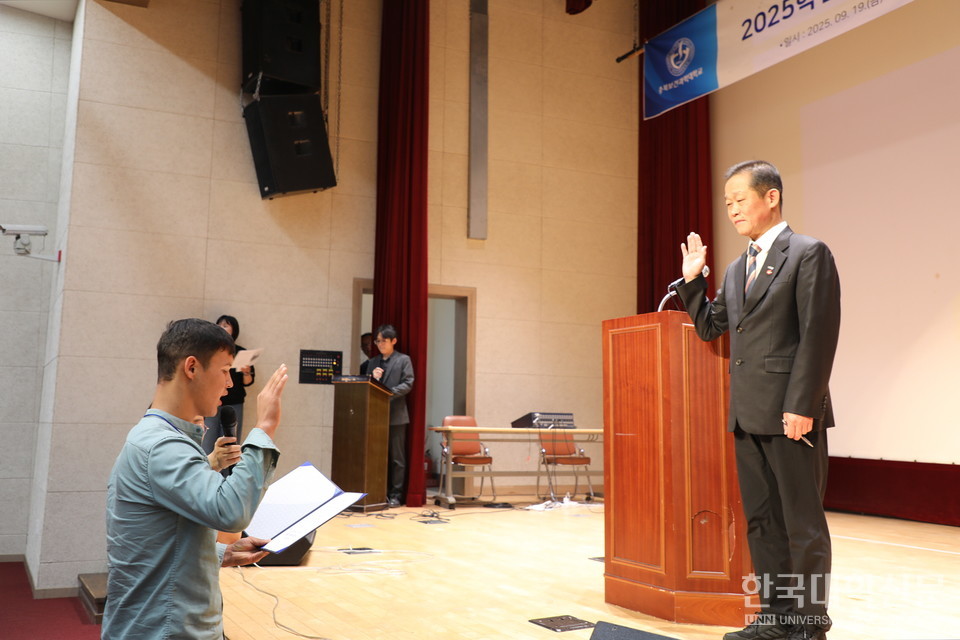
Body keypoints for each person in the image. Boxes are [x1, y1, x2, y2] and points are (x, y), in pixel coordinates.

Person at [676, 161, 840, 640]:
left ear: (771, 198)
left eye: (739, 200)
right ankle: (775, 619)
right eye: (726, 203)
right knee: (762, 522)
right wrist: (692, 282)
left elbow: (818, 335)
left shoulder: (808, 253)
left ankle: (809, 626)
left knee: (802, 525)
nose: (731, 210)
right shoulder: (735, 267)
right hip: (747, 415)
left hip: (793, 415)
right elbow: (712, 327)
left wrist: (803, 405)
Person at [103, 318, 288, 640]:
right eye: (224, 370)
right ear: (192, 367)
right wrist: (265, 427)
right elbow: (231, 513)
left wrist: (217, 553)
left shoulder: (158, 439)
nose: (229, 384)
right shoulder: (161, 446)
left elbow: (158, 542)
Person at [365, 324, 414, 506]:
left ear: (393, 341)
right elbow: (367, 387)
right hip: (376, 416)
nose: (380, 344)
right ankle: (378, 492)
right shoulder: (372, 362)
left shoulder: (403, 360)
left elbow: (408, 383)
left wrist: (388, 392)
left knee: (396, 458)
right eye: (377, 341)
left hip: (396, 416)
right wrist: (374, 379)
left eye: (383, 341)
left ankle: (396, 495)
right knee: (376, 456)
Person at [202, 315, 255, 456]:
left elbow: (248, 382)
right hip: (213, 401)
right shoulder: (210, 351)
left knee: (231, 442)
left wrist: (246, 372)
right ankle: (208, 471)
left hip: (234, 403)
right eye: (219, 325)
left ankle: (228, 476)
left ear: (234, 330)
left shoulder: (242, 353)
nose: (222, 328)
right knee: (208, 440)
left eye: (226, 325)